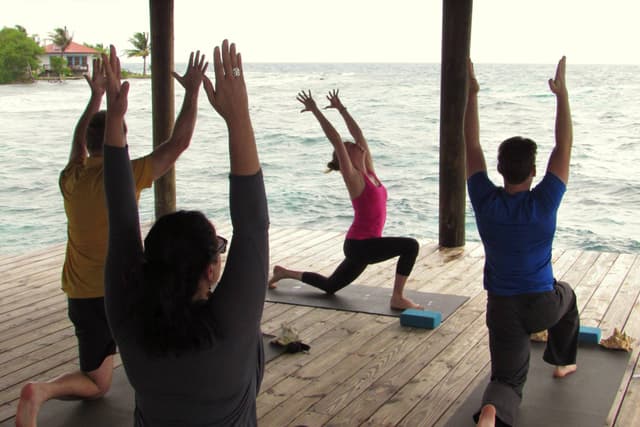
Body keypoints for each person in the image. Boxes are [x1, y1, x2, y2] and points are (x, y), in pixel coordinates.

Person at [16, 52, 207, 426]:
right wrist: (193, 92)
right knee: (107, 379)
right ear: (121, 139)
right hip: (121, 289)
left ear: (89, 145)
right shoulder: (128, 175)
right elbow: (179, 143)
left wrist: (96, 99)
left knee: (97, 373)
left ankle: (43, 390)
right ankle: (43, 390)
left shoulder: (70, 177)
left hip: (80, 292)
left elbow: (79, 143)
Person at [102, 39, 267, 426]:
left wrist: (113, 120)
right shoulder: (229, 329)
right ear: (210, 270)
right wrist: (237, 115)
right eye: (218, 249)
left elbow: (121, 219)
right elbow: (254, 225)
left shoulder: (131, 323)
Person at [465, 57, 579, 427]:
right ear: (534, 171)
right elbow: (564, 144)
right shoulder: (544, 201)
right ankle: (563, 363)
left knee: (506, 381)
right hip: (543, 305)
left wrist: (472, 93)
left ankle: (491, 412)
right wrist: (561, 96)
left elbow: (470, 145)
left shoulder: (485, 199)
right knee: (569, 294)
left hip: (502, 310)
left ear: (499, 169)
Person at [269, 89, 422, 310]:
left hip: (361, 246)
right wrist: (315, 111)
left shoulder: (370, 172)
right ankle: (397, 297)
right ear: (346, 158)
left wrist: (342, 109)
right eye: (351, 147)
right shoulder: (354, 178)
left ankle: (283, 273)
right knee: (410, 246)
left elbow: (358, 133)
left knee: (331, 286)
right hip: (360, 245)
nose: (357, 145)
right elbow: (336, 139)